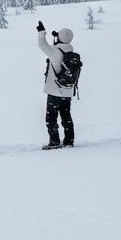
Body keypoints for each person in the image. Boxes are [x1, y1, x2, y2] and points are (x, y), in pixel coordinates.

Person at [35, 21, 77, 149]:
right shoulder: (70, 52)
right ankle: (69, 141)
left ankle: (54, 142)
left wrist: (41, 32)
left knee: (51, 118)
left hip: (54, 91)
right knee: (66, 115)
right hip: (67, 91)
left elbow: (42, 45)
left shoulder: (55, 52)